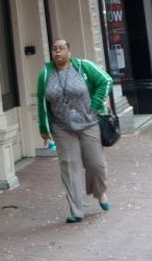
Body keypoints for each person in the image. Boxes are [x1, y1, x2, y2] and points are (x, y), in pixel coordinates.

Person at [35, 38, 112, 223]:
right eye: (55, 49)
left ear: (69, 51)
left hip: (89, 123)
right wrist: (44, 127)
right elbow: (41, 101)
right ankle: (76, 210)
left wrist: (95, 104)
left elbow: (106, 81)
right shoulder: (46, 73)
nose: (58, 52)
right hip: (62, 127)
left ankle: (99, 192)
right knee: (70, 167)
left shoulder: (83, 67)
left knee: (96, 165)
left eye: (61, 49)